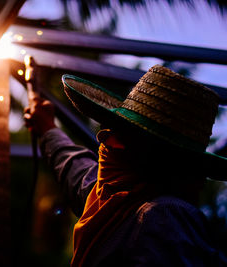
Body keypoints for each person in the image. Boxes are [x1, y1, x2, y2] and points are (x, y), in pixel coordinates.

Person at [24, 65, 227, 266]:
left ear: (151, 155)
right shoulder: (110, 201)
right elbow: (75, 168)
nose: (105, 141)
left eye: (118, 133)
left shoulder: (164, 217)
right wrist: (47, 128)